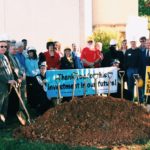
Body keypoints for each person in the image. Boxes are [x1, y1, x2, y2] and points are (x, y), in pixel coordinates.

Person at [0, 38, 16, 124]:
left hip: (6, 86)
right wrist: (7, 81)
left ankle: (2, 123)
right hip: (1, 85)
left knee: (5, 106)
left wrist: (12, 79)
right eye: (1, 46)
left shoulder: (5, 57)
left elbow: (9, 70)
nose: (3, 48)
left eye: (5, 46)